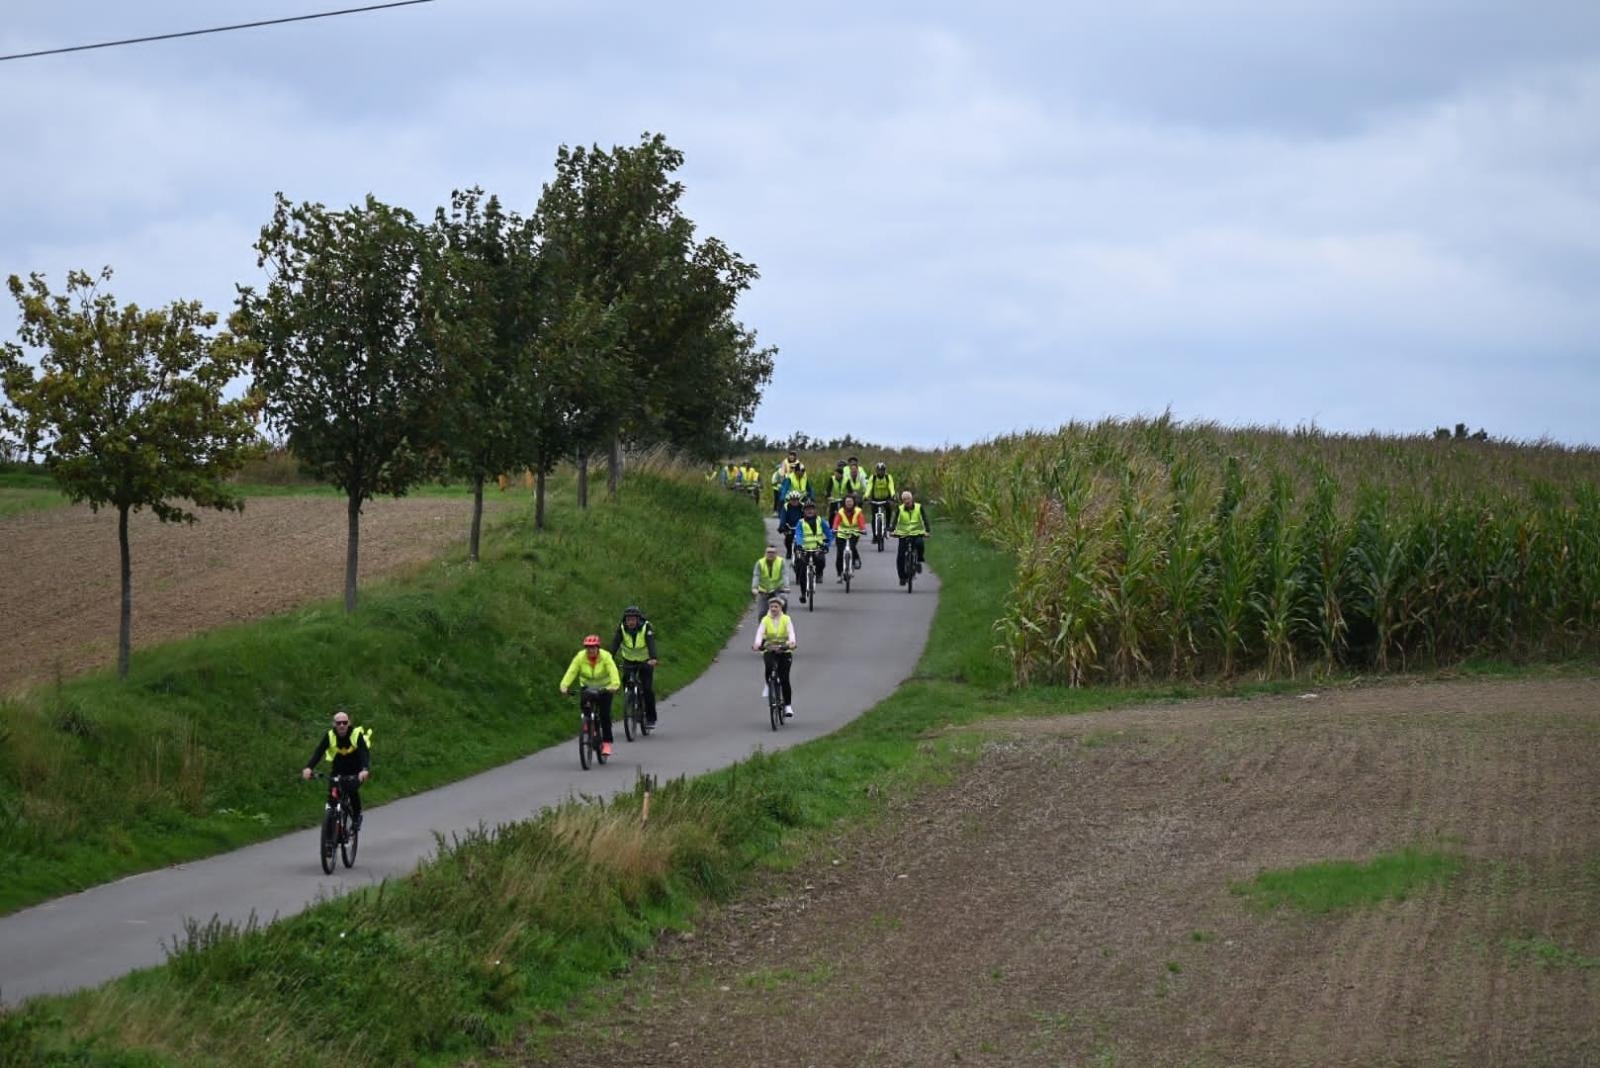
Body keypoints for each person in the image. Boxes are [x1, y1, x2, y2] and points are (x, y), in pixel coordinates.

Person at [301, 707, 372, 830]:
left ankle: (356, 816)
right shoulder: (330, 735)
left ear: (349, 723)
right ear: (334, 724)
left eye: (344, 722)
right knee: (332, 795)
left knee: (351, 790)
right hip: (338, 770)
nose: (342, 725)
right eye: (339, 723)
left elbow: (364, 752)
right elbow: (319, 752)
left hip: (356, 770)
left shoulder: (355, 734)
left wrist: (365, 769)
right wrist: (309, 767)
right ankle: (330, 828)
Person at [559, 635, 622, 756]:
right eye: (588, 648)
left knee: (604, 716)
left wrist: (615, 685)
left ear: (598, 648)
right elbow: (572, 671)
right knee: (585, 705)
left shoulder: (606, 657)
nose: (590, 650)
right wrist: (564, 685)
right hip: (587, 687)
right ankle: (588, 724)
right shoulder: (580, 657)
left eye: (593, 647)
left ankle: (607, 743)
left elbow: (613, 671)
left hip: (605, 688)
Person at [610, 605, 659, 727]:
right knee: (626, 681)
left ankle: (650, 717)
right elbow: (615, 644)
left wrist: (653, 658)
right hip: (629, 660)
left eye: (633, 619)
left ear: (638, 619)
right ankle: (631, 702)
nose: (630, 622)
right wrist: (608, 658)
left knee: (647, 689)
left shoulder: (646, 627)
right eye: (628, 619)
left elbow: (651, 643)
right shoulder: (622, 628)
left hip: (645, 660)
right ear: (625, 620)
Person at [752, 593, 798, 719]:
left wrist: (791, 642)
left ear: (780, 608)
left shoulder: (786, 619)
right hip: (770, 648)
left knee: (784, 678)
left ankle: (787, 706)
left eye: (776, 607)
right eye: (771, 607)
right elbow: (760, 633)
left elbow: (791, 633)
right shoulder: (765, 620)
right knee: (769, 666)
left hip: (784, 650)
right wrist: (757, 644)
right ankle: (768, 684)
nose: (773, 609)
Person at [794, 498, 833, 602]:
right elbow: (798, 534)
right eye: (807, 509)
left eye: (811, 509)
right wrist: (799, 545)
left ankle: (819, 573)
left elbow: (829, 533)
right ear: (804, 511)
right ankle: (803, 594)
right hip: (805, 549)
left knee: (821, 561)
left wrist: (827, 544)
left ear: (815, 510)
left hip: (818, 548)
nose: (809, 511)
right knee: (802, 571)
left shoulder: (820, 520)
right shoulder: (801, 522)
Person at [891, 489, 931, 586]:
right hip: (903, 534)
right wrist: (892, 530)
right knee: (900, 556)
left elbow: (924, 518)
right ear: (902, 501)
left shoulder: (918, 507)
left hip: (917, 533)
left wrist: (927, 531)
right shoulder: (900, 509)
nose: (907, 501)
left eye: (908, 499)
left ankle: (919, 559)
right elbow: (895, 520)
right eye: (904, 499)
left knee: (919, 544)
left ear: (911, 499)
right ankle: (902, 577)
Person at [832, 493, 866, 580]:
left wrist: (863, 529)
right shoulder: (840, 512)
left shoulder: (858, 511)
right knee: (840, 553)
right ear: (844, 503)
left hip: (854, 533)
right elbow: (836, 521)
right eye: (847, 502)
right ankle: (839, 573)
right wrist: (834, 529)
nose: (849, 503)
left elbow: (861, 521)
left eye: (851, 501)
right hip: (841, 533)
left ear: (854, 502)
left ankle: (856, 559)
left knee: (851, 546)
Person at [751, 542, 789, 615]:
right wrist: (754, 588)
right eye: (768, 552)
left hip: (778, 590)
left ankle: (783, 617)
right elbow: (756, 576)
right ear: (765, 553)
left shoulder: (781, 562)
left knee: (783, 600)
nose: (770, 554)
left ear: (776, 554)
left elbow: (785, 574)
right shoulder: (760, 563)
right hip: (764, 591)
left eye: (773, 552)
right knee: (762, 613)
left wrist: (786, 587)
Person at [778, 489, 806, 558]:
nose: (794, 501)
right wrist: (782, 526)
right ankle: (789, 551)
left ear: (799, 500)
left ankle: (802, 551)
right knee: (788, 539)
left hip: (800, 526)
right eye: (792, 499)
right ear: (789, 500)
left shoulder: (803, 506)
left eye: (796, 499)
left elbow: (807, 516)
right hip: (789, 526)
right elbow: (783, 517)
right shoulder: (786, 506)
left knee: (803, 539)